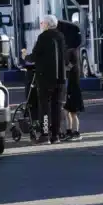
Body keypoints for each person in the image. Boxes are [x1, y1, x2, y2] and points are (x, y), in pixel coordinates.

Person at [21, 14, 67, 145]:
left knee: (44, 106)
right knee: (57, 106)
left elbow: (35, 56)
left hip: (45, 77)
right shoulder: (61, 37)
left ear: (47, 24)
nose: (41, 25)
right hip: (61, 77)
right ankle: (56, 135)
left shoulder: (43, 37)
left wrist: (25, 56)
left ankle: (45, 134)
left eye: (42, 23)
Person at [62, 48, 84, 141]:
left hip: (74, 91)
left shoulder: (74, 70)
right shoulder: (74, 70)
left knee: (72, 113)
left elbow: (67, 67)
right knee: (67, 112)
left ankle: (76, 133)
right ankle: (69, 131)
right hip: (72, 90)